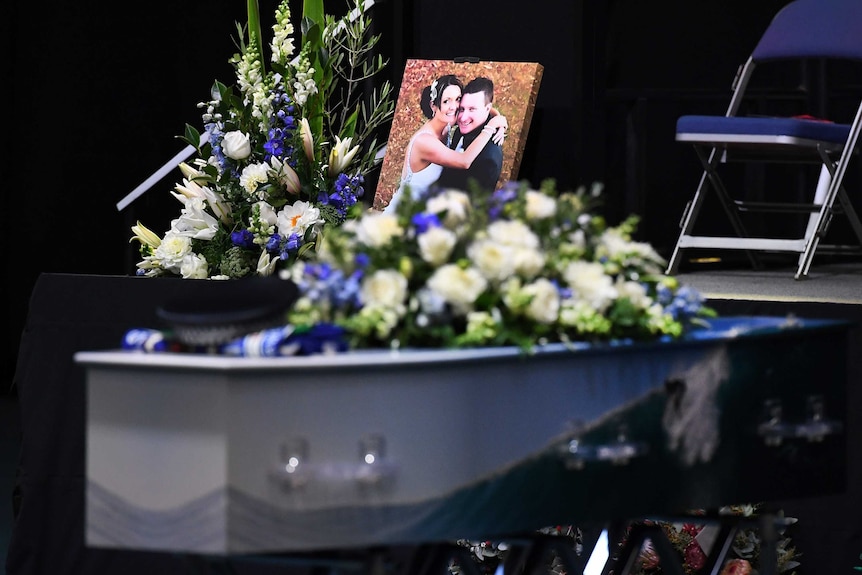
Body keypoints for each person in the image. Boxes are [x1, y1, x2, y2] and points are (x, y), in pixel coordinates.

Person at [384, 74, 507, 212]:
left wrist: (499, 119)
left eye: (457, 100)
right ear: (433, 105)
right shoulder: (425, 141)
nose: (454, 107)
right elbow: (464, 161)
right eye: (446, 101)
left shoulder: (445, 125)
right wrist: (490, 128)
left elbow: (481, 106)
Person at [433, 77, 504, 193]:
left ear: (487, 108)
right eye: (461, 109)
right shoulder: (462, 129)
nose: (463, 118)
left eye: (472, 109)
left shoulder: (488, 159)